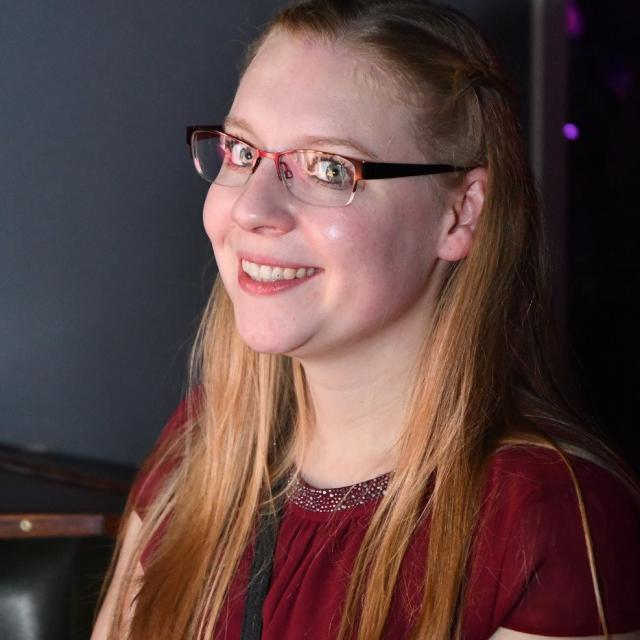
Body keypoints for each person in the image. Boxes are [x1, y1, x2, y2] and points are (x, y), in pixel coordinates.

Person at [92, 1, 640, 638]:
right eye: (242, 152)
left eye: (329, 168)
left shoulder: (553, 522)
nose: (251, 209)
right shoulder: (203, 446)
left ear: (460, 214)